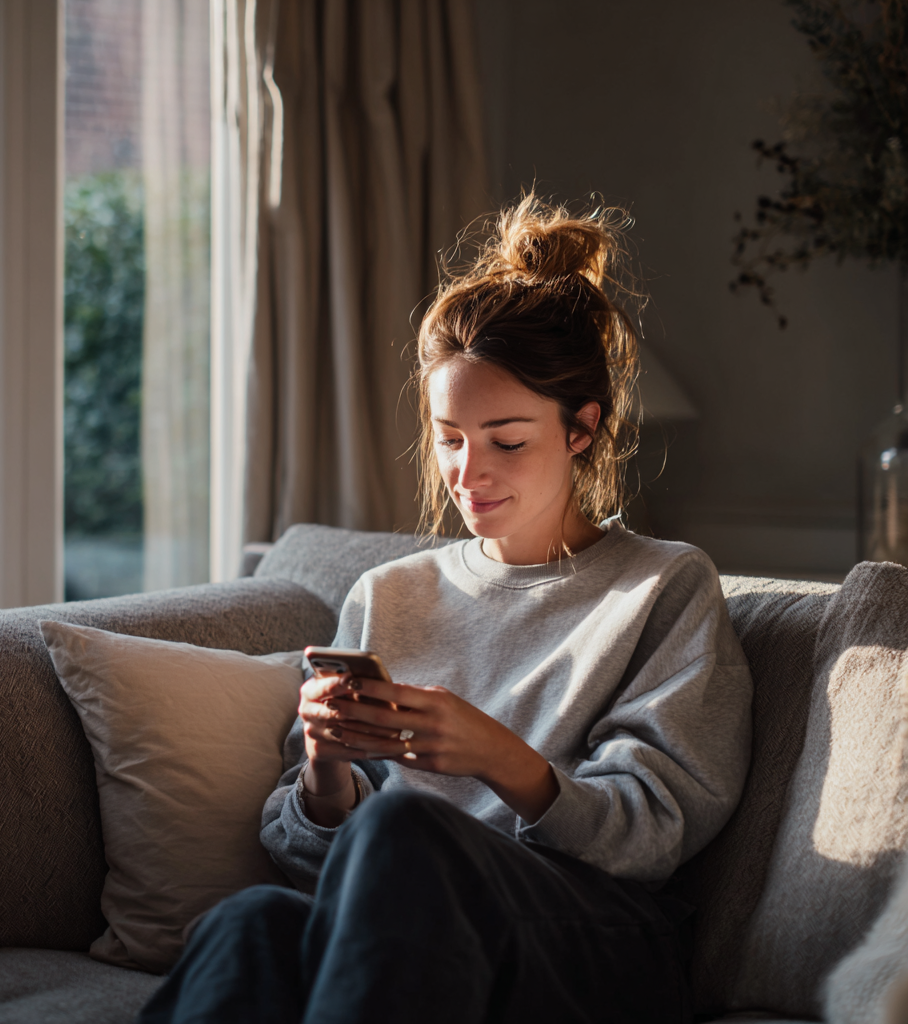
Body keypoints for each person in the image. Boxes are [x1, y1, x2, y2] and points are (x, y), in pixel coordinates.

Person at [137, 195, 753, 1024]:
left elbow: (655, 832)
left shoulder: (663, 586)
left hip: (598, 936)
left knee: (405, 834)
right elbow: (310, 863)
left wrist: (500, 757)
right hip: (416, 924)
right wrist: (325, 770)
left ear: (581, 428)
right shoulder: (388, 594)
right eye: (449, 438)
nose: (468, 474)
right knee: (251, 923)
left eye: (507, 440)